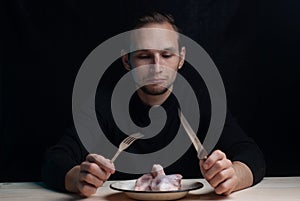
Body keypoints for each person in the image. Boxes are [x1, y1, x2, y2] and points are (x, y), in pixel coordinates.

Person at [42, 11, 265, 197]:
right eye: (144, 56)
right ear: (127, 60)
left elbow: (251, 154)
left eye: (166, 55)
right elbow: (55, 160)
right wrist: (78, 178)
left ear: (181, 58)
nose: (156, 66)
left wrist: (233, 176)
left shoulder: (200, 101)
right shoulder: (105, 103)